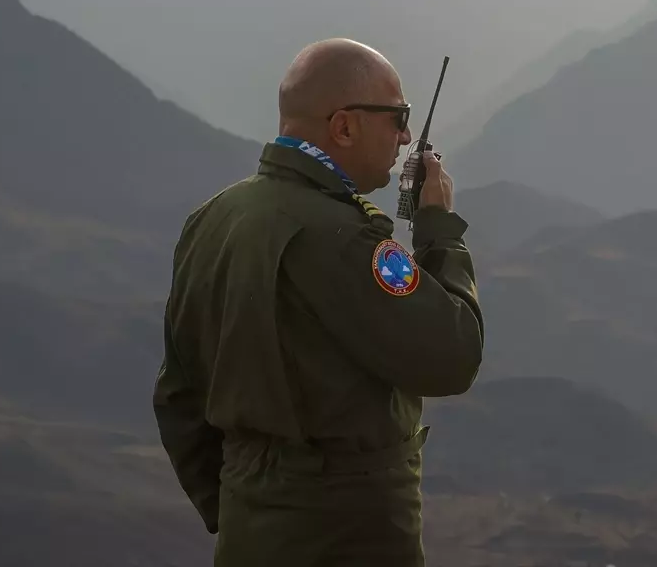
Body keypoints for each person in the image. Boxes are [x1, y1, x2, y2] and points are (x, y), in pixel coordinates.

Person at [152, 38, 484, 566]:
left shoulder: (212, 220)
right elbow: (453, 355)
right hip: (350, 537)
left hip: (247, 534)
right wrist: (440, 231)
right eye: (398, 117)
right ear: (344, 126)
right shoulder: (345, 240)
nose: (404, 137)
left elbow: (178, 395)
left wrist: (250, 506)